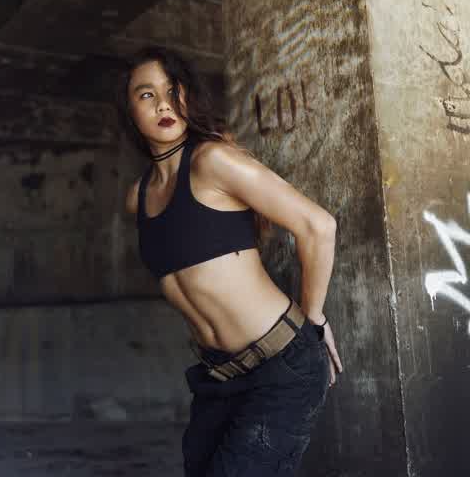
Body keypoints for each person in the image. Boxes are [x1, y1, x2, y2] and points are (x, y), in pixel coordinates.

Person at [117, 45, 343, 476]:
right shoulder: (137, 197)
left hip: (281, 367)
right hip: (219, 378)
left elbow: (317, 226)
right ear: (130, 111)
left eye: (173, 89)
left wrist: (314, 320)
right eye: (146, 94)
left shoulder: (212, 161)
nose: (164, 103)